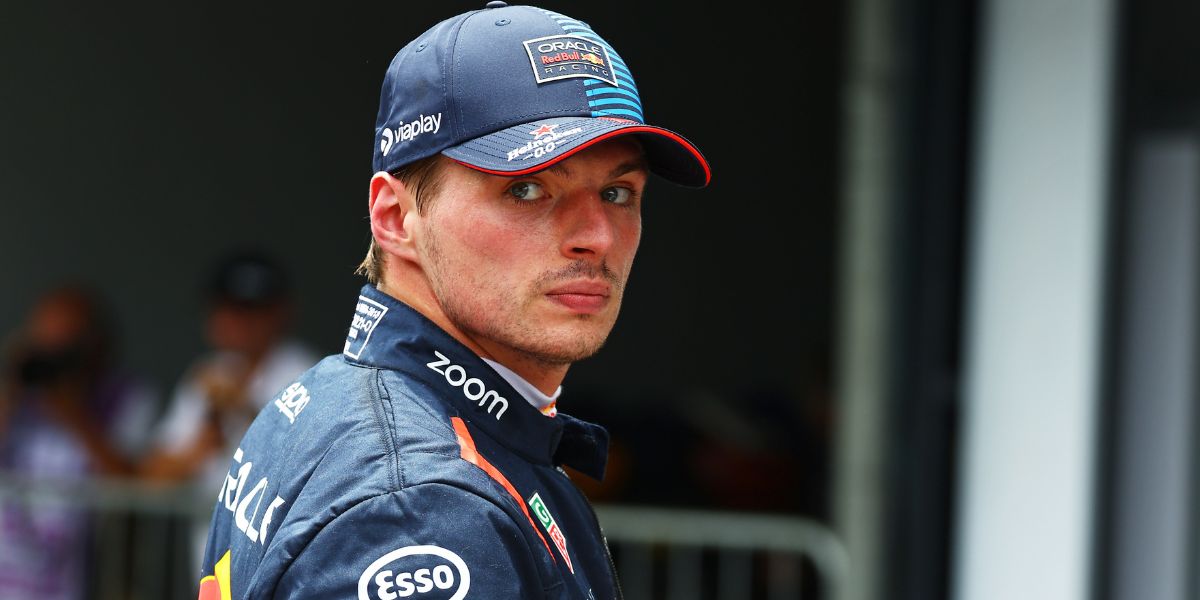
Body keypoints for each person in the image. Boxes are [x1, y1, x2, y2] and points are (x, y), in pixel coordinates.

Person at [197, 3, 709, 599]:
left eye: (618, 192)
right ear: (395, 218)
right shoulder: (425, 512)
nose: (596, 236)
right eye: (527, 188)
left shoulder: (330, 394)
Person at [141, 251, 317, 562]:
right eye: (228, 308)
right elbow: (151, 479)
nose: (237, 321)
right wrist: (200, 445)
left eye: (250, 310)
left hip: (281, 558)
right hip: (214, 564)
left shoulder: (306, 371)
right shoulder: (207, 376)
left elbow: (313, 463)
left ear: (279, 312)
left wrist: (245, 408)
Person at [0, 285, 158, 600]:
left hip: (83, 579)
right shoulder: (16, 397)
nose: (54, 354)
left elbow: (129, 481)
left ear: (96, 344)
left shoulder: (126, 398)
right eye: (44, 341)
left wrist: (72, 411)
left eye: (66, 343)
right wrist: (11, 382)